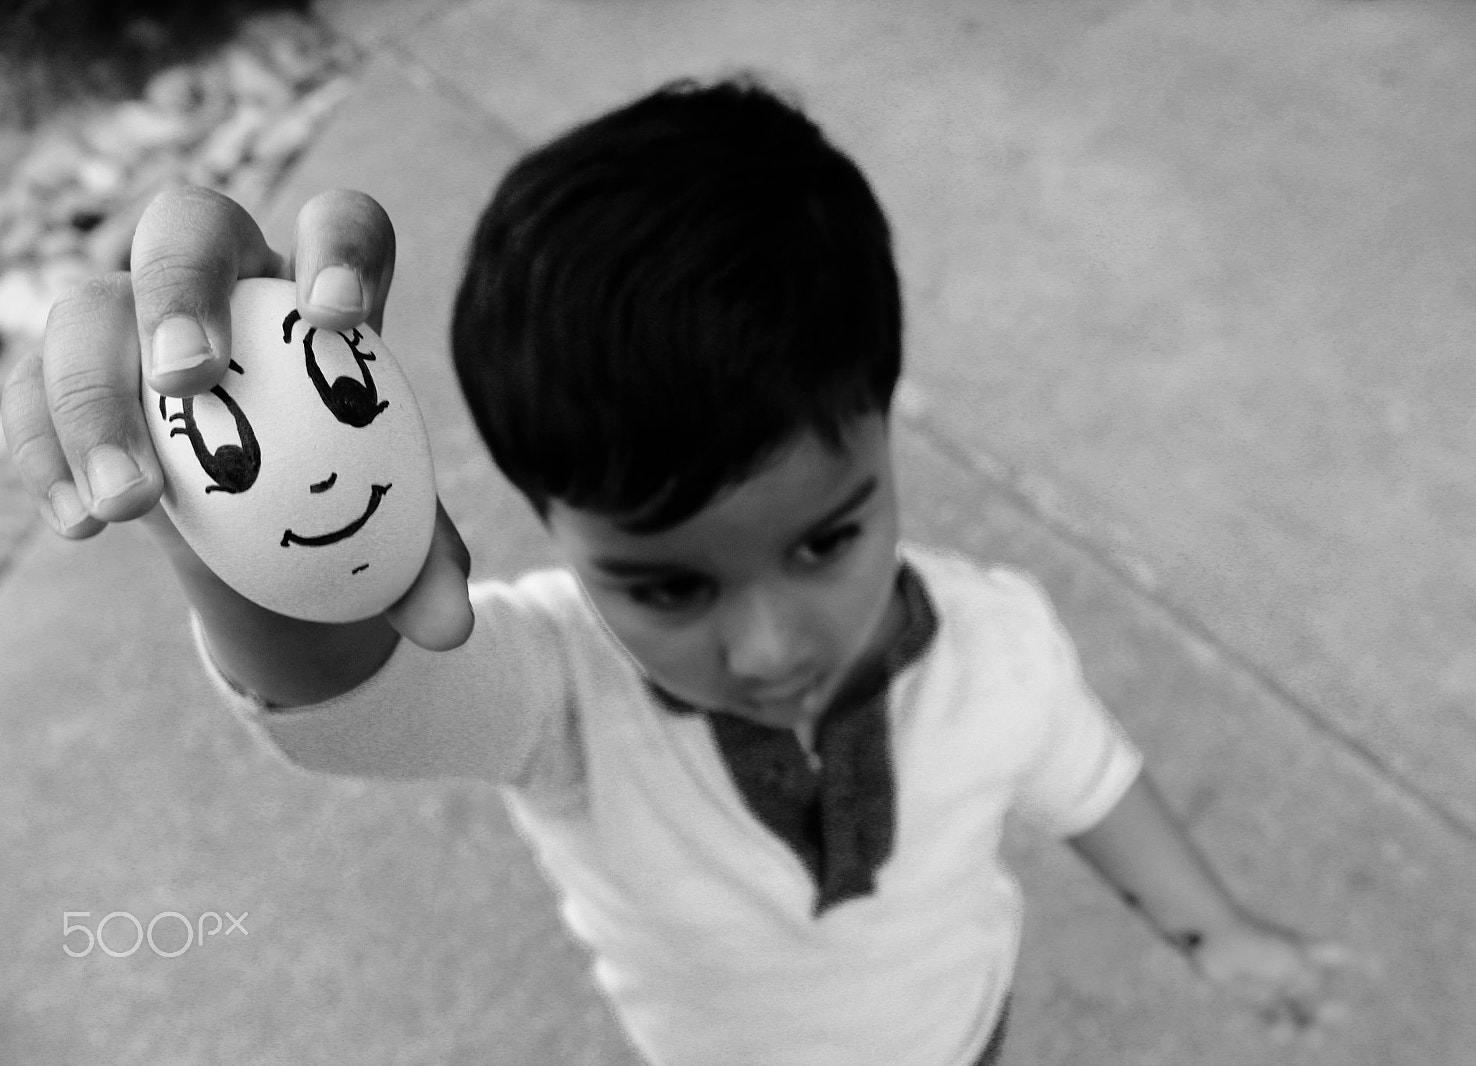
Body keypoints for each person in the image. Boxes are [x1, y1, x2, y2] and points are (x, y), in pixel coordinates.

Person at [3, 75, 1347, 1065]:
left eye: (826, 538)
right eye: (666, 584)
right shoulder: (557, 695)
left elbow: (1089, 779)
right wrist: (222, 500)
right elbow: (344, 699)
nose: (768, 647)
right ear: (550, 524)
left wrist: (1212, 927)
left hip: (964, 1029)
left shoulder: (1002, 641)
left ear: (885, 421)